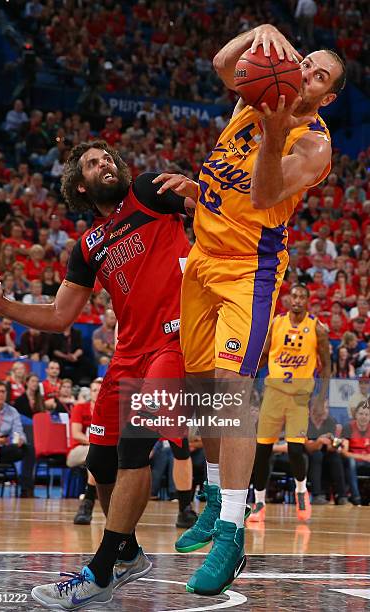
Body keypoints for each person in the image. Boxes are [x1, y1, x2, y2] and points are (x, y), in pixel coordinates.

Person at [154, 23, 344, 594]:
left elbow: (263, 198)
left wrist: (273, 134)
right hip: (203, 253)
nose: (304, 73)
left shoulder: (312, 143)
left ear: (327, 95)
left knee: (233, 388)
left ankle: (234, 530)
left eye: (319, 74)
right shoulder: (256, 94)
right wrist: (259, 32)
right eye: (303, 61)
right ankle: (215, 493)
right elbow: (220, 62)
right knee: (198, 387)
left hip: (250, 270)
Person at [0, 139, 197, 608]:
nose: (105, 164)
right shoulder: (88, 245)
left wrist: (197, 190)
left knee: (136, 447)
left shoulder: (146, 191)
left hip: (173, 340)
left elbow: (205, 204)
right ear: (81, 184)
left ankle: (99, 570)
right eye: (94, 163)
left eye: (108, 158)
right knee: (100, 463)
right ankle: (129, 553)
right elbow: (59, 316)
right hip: (127, 352)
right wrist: (2, 306)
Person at [248, 284, 331, 522]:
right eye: (294, 296)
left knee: (296, 449)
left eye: (302, 297)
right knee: (262, 451)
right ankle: (259, 501)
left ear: (308, 301)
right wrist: (249, 379)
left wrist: (321, 398)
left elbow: (326, 365)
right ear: (288, 299)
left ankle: (301, 490)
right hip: (273, 393)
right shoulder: (276, 323)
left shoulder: (317, 328)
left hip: (299, 397)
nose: (297, 300)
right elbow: (264, 355)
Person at [68, 378, 102, 525]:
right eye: (94, 390)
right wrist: (96, 442)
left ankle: (88, 501)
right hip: (77, 451)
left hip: (99, 451)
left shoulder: (111, 411)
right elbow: (76, 434)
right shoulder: (80, 408)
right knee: (94, 451)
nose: (97, 393)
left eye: (101, 391)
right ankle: (88, 500)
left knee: (97, 454)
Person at [305, 397, 347, 504]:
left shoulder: (330, 421)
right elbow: (308, 447)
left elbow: (330, 447)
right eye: (322, 408)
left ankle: (341, 496)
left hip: (324, 451)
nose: (325, 410)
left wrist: (336, 443)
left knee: (335, 457)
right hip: (308, 452)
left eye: (327, 407)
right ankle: (317, 495)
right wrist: (319, 441)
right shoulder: (305, 422)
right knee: (317, 455)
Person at [341, 400, 370, 505]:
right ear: (356, 415)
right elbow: (344, 452)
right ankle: (356, 497)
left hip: (367, 462)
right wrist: (363, 457)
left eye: (367, 414)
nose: (364, 417)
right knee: (351, 461)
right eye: (361, 413)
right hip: (353, 461)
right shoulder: (348, 428)